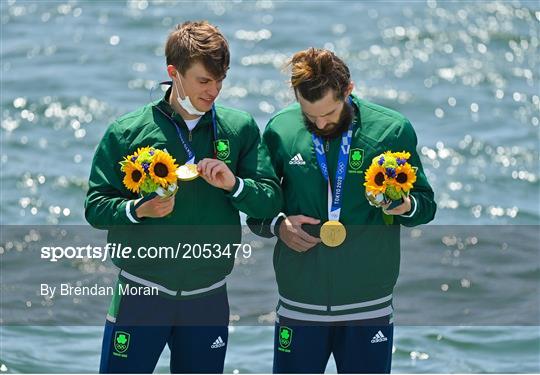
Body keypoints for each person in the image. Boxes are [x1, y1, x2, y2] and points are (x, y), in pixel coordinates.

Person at [85, 21, 281, 373]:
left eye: (221, 80)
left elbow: (268, 200)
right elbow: (95, 207)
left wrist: (234, 186)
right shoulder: (127, 131)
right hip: (140, 293)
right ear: (174, 73)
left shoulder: (240, 128)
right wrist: (137, 210)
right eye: (204, 81)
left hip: (207, 297)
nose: (214, 91)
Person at [247, 48, 436, 373]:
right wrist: (279, 225)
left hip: (368, 304)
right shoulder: (281, 129)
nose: (319, 123)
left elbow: (426, 206)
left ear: (348, 90)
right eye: (310, 115)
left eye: (329, 113)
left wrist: (404, 205)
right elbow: (259, 209)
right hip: (300, 303)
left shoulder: (391, 129)